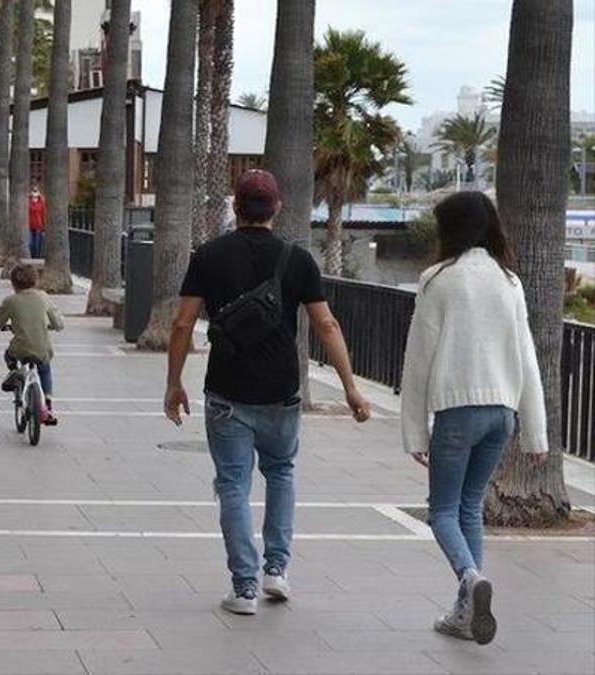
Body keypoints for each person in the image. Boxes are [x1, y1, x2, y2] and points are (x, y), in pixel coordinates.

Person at [164, 169, 371, 615]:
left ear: (235, 207)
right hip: (281, 391)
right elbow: (326, 324)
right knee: (281, 474)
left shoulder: (209, 256)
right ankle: (276, 570)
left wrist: (173, 382)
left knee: (233, 485)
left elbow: (183, 324)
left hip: (226, 391)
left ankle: (243, 589)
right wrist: (350, 387)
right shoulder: (297, 260)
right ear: (276, 208)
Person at [400, 191, 547, 645]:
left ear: (451, 230)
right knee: (469, 509)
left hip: (457, 412)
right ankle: (465, 611)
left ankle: (469, 578)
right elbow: (527, 358)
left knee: (441, 511)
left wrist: (414, 432)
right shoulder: (510, 282)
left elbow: (418, 360)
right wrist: (535, 433)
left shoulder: (437, 280)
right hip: (501, 414)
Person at [0, 264, 64, 425]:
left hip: (20, 349)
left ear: (13, 283)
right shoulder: (43, 297)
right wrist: (51, 325)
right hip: (42, 348)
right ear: (35, 281)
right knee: (45, 369)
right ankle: (48, 405)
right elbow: (59, 324)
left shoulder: (11, 301)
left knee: (8, 354)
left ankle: (15, 372)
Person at [28, 184, 46, 259]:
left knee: (37, 243)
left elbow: (43, 214)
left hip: (39, 226)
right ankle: (32, 256)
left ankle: (37, 257)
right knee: (31, 243)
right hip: (30, 225)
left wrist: (44, 226)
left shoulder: (41, 202)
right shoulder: (29, 202)